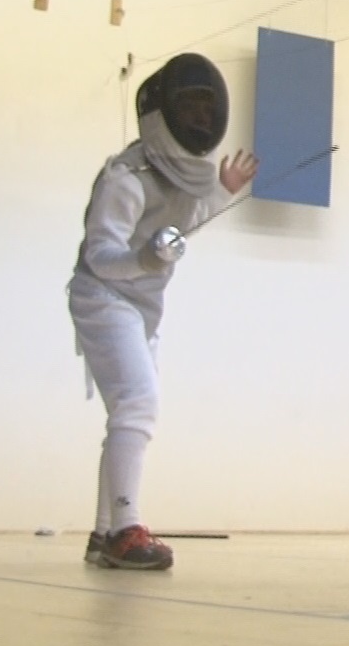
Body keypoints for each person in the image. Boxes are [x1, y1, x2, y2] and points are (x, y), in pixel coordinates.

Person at [68, 53, 257, 570]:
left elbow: (187, 215)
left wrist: (224, 191)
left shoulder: (181, 177)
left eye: (206, 108)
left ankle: (105, 531)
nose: (199, 118)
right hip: (103, 295)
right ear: (161, 114)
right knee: (139, 402)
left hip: (143, 306)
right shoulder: (125, 179)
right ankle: (126, 530)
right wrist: (145, 257)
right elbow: (99, 256)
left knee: (129, 410)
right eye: (189, 107)